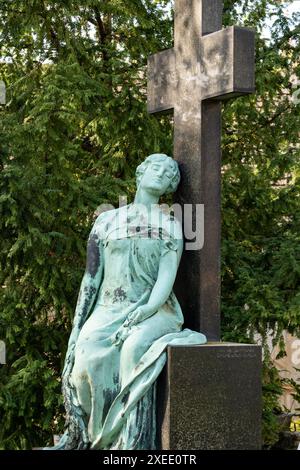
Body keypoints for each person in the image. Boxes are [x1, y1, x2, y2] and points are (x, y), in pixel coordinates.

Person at [46, 153, 206, 450]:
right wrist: (77, 326)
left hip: (155, 308)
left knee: (133, 348)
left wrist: (146, 309)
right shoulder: (106, 221)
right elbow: (91, 277)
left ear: (170, 186)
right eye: (155, 168)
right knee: (84, 356)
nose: (161, 174)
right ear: (140, 174)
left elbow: (165, 278)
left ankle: (131, 441)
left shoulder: (170, 226)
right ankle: (98, 440)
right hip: (108, 309)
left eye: (169, 173)